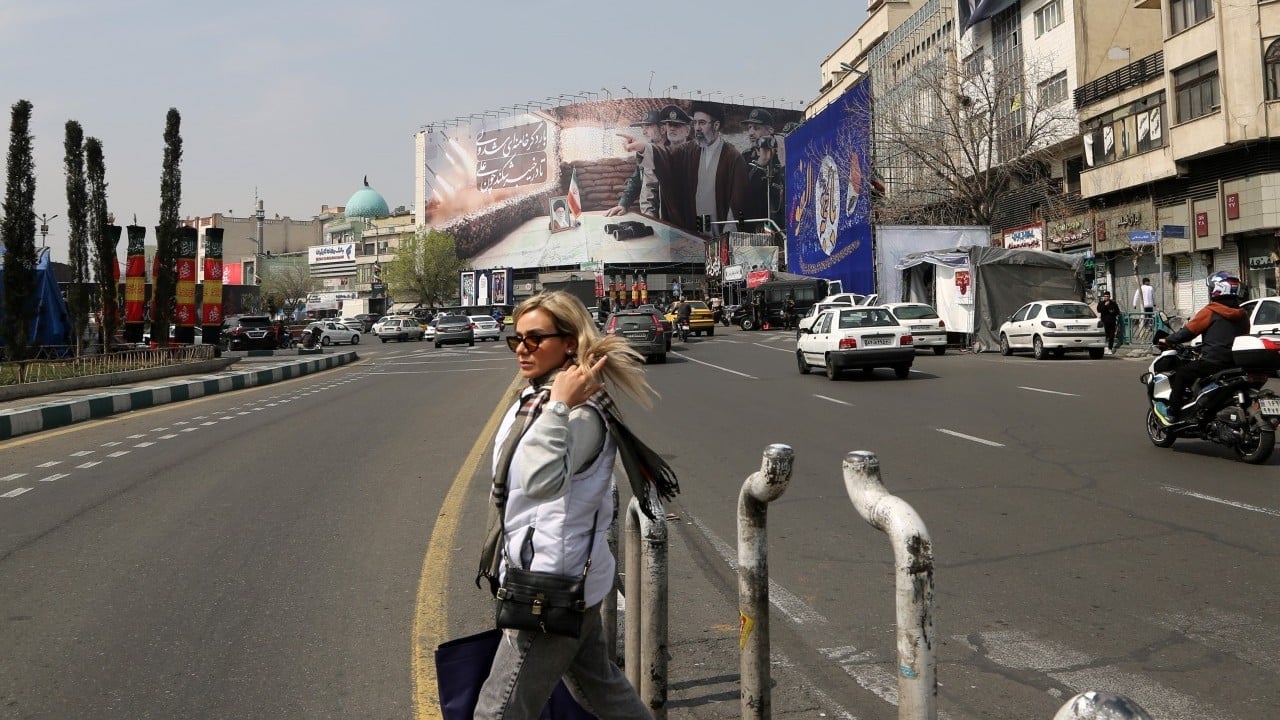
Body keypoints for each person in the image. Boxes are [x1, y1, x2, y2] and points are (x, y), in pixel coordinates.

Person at [475, 291, 655, 720]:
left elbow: (539, 483)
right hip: (569, 576)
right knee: (601, 692)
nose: (521, 348)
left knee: (496, 712)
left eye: (535, 338)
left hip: (549, 586)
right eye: (516, 339)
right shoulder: (536, 398)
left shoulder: (579, 414)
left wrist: (559, 404)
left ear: (570, 342)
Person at [620, 103, 748, 238]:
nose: (697, 128)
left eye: (702, 123)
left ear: (716, 125)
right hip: (692, 231)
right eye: (695, 123)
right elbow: (666, 157)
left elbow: (737, 203)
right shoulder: (688, 150)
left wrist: (728, 237)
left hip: (719, 233)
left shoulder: (732, 157)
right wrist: (642, 148)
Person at [1156, 272, 1249, 423]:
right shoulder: (1242, 314)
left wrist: (1167, 340)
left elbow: (1187, 333)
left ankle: (1172, 412)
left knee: (1182, 374)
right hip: (1236, 362)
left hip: (1214, 362)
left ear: (1218, 289)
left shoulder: (1211, 311)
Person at [605, 109, 664, 218]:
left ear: (662, 128)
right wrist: (623, 204)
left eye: (648, 126)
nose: (644, 132)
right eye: (643, 127)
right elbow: (636, 179)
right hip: (648, 214)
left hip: (667, 218)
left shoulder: (675, 153)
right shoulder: (644, 152)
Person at [1096, 291, 1122, 355]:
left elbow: (1117, 312)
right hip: (1104, 322)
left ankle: (1110, 348)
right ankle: (1105, 348)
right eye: (1105, 296)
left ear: (1109, 297)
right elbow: (1099, 310)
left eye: (1107, 296)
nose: (1106, 297)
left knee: (1111, 336)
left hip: (1112, 322)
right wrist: (1105, 306)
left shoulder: (1113, 303)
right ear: (1103, 297)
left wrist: (1112, 312)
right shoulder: (1101, 303)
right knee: (1105, 336)